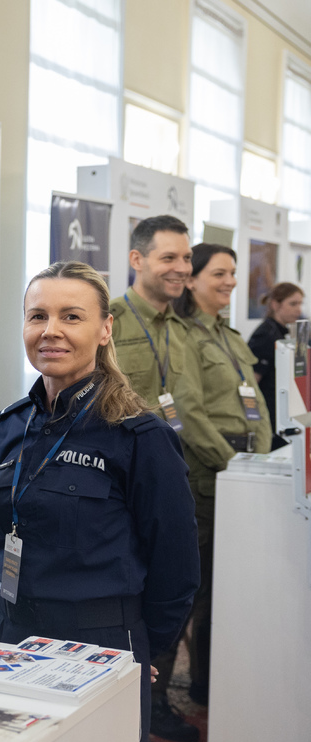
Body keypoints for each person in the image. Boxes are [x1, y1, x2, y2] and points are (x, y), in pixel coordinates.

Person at [0, 261, 199, 742]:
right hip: (12, 635)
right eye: (37, 316)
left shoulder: (139, 437)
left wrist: (140, 649)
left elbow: (176, 565)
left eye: (71, 316)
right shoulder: (11, 427)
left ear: (105, 329)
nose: (50, 330)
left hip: (99, 642)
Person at [107, 215, 211, 742]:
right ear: (138, 259)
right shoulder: (110, 320)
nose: (181, 268)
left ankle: (154, 709)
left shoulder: (181, 327)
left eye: (186, 258)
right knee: (130, 604)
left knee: (171, 593)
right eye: (169, 257)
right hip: (122, 490)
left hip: (177, 482)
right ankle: (131, 732)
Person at [173, 243, 271, 705]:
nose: (231, 281)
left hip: (246, 474)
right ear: (191, 280)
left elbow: (258, 404)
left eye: (233, 272)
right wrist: (236, 467)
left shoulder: (230, 336)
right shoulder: (184, 337)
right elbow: (187, 413)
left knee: (227, 591)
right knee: (193, 592)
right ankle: (168, 697)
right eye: (220, 273)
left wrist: (261, 459)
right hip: (210, 477)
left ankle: (211, 684)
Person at [248, 281, 304, 448]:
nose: (298, 309)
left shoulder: (287, 332)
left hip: (289, 413)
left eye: (300, 303)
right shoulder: (265, 335)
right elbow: (252, 383)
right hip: (271, 417)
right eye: (293, 304)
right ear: (275, 304)